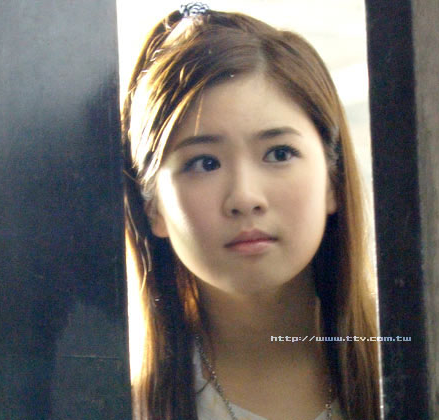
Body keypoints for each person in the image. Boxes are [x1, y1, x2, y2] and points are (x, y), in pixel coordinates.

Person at [122, 3, 380, 420]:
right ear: (153, 206)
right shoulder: (122, 405)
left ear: (333, 180)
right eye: (204, 163)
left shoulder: (424, 369)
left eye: (279, 153)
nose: (244, 197)